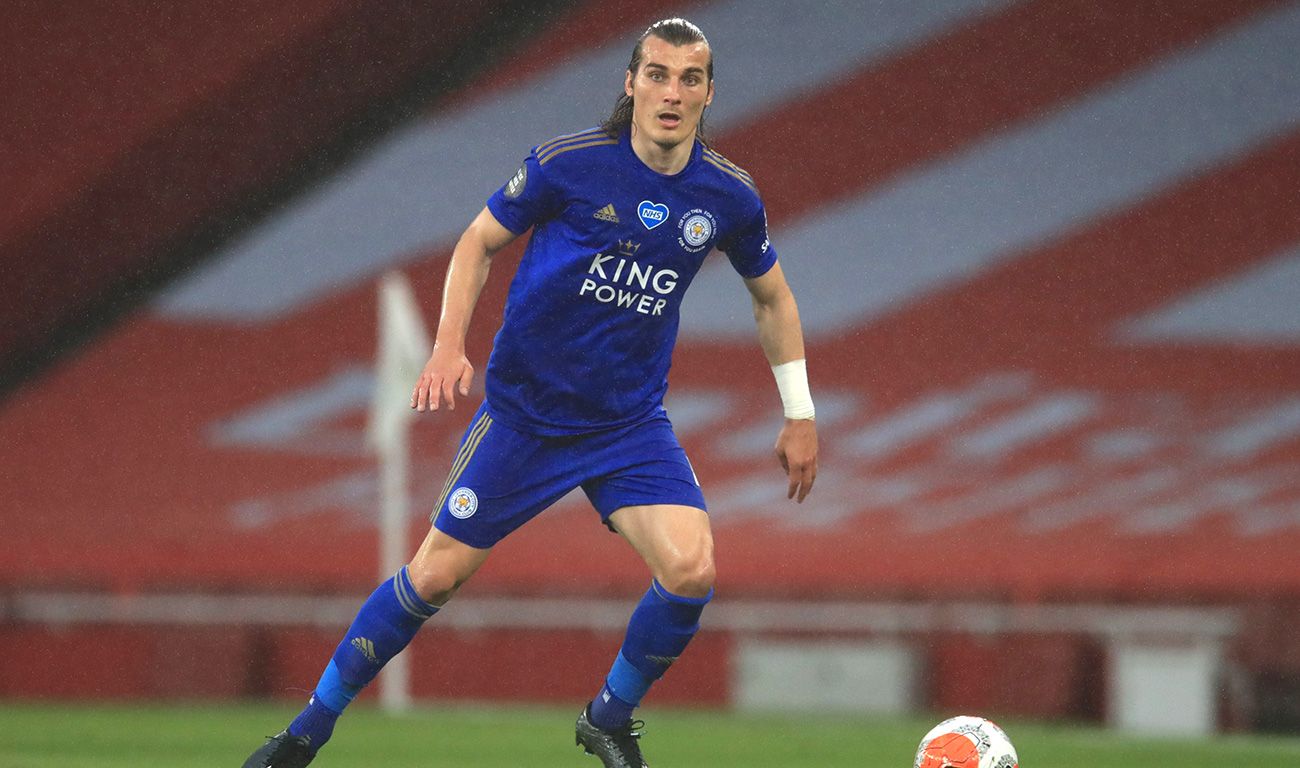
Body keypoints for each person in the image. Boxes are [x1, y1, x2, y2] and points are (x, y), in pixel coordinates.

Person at [243, 17, 818, 768]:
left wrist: (799, 412)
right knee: (434, 576)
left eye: (690, 79)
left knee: (691, 572)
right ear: (631, 83)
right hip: (525, 419)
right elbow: (478, 242)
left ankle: (607, 718)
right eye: (657, 75)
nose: (672, 93)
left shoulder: (729, 196)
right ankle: (306, 732)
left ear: (710, 93)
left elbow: (772, 298)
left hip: (627, 426)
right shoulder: (568, 164)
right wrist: (448, 344)